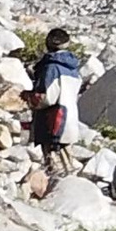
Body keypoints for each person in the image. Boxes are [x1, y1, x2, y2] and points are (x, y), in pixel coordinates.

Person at [27, 27, 82, 180]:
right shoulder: (73, 68)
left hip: (52, 120)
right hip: (69, 116)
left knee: (53, 163)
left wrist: (31, 99)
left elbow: (48, 98)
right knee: (67, 161)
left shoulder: (51, 67)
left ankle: (54, 188)